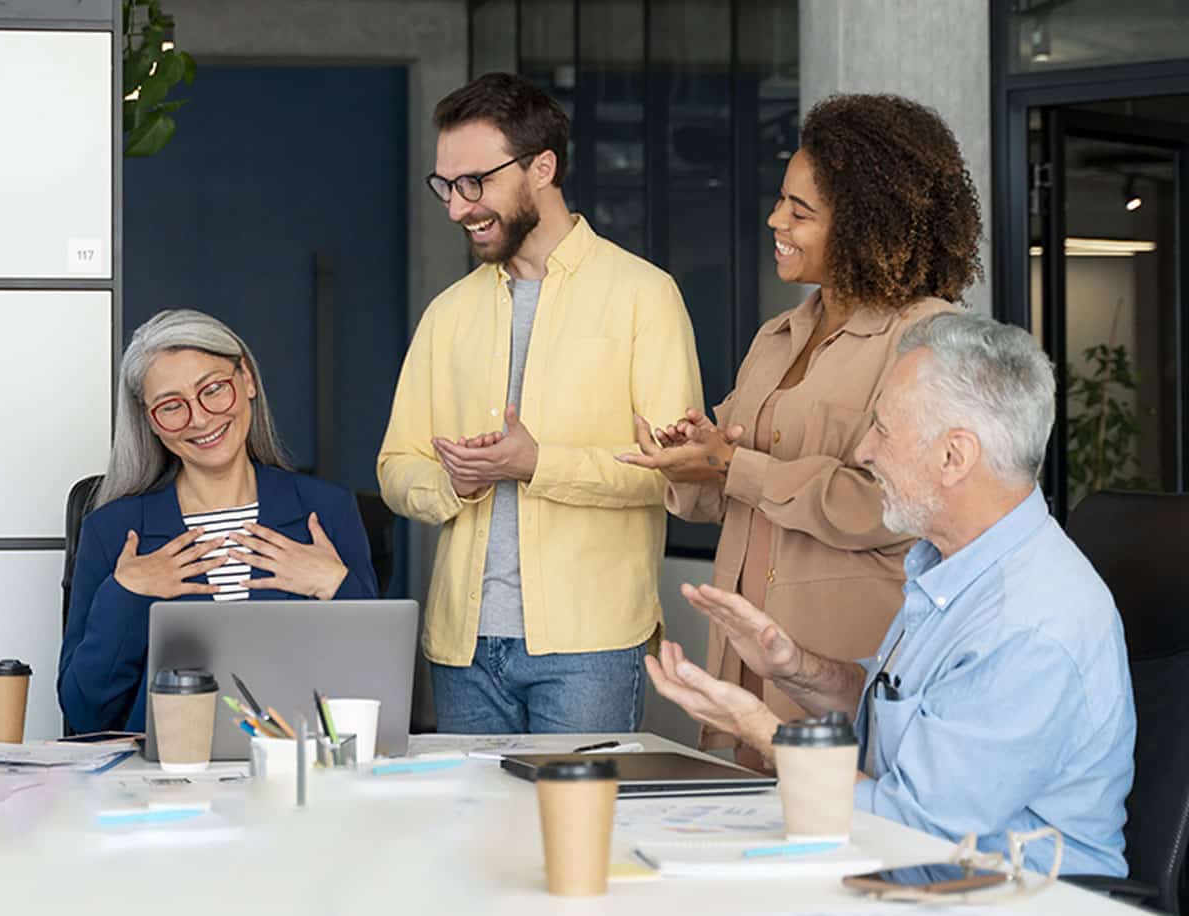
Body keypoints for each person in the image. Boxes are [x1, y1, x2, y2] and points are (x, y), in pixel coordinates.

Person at [647, 312, 1135, 877]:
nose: (863, 452)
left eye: (882, 428)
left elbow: (912, 830)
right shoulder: (951, 566)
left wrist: (758, 727)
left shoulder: (1028, 624)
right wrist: (793, 667)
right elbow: (894, 714)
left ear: (954, 457)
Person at [621, 94, 980, 763]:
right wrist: (688, 461)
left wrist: (736, 467)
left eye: (800, 210)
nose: (774, 219)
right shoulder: (778, 336)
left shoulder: (929, 336)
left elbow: (891, 505)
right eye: (780, 201)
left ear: (865, 224)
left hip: (838, 669)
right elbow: (720, 489)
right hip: (744, 660)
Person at [377, 72, 702, 734]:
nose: (457, 207)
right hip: (462, 648)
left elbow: (679, 472)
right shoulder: (449, 313)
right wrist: (452, 480)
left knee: (577, 836)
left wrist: (537, 464)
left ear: (542, 167)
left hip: (591, 647)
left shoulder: (645, 296)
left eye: (476, 183)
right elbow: (393, 467)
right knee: (479, 839)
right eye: (445, 186)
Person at [59, 310, 379, 733]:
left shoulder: (326, 510)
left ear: (246, 379)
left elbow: (376, 687)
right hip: (163, 780)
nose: (200, 418)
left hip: (297, 772)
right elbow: (85, 715)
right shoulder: (113, 530)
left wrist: (335, 586)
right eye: (172, 406)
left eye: (213, 390)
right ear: (148, 420)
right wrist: (127, 594)